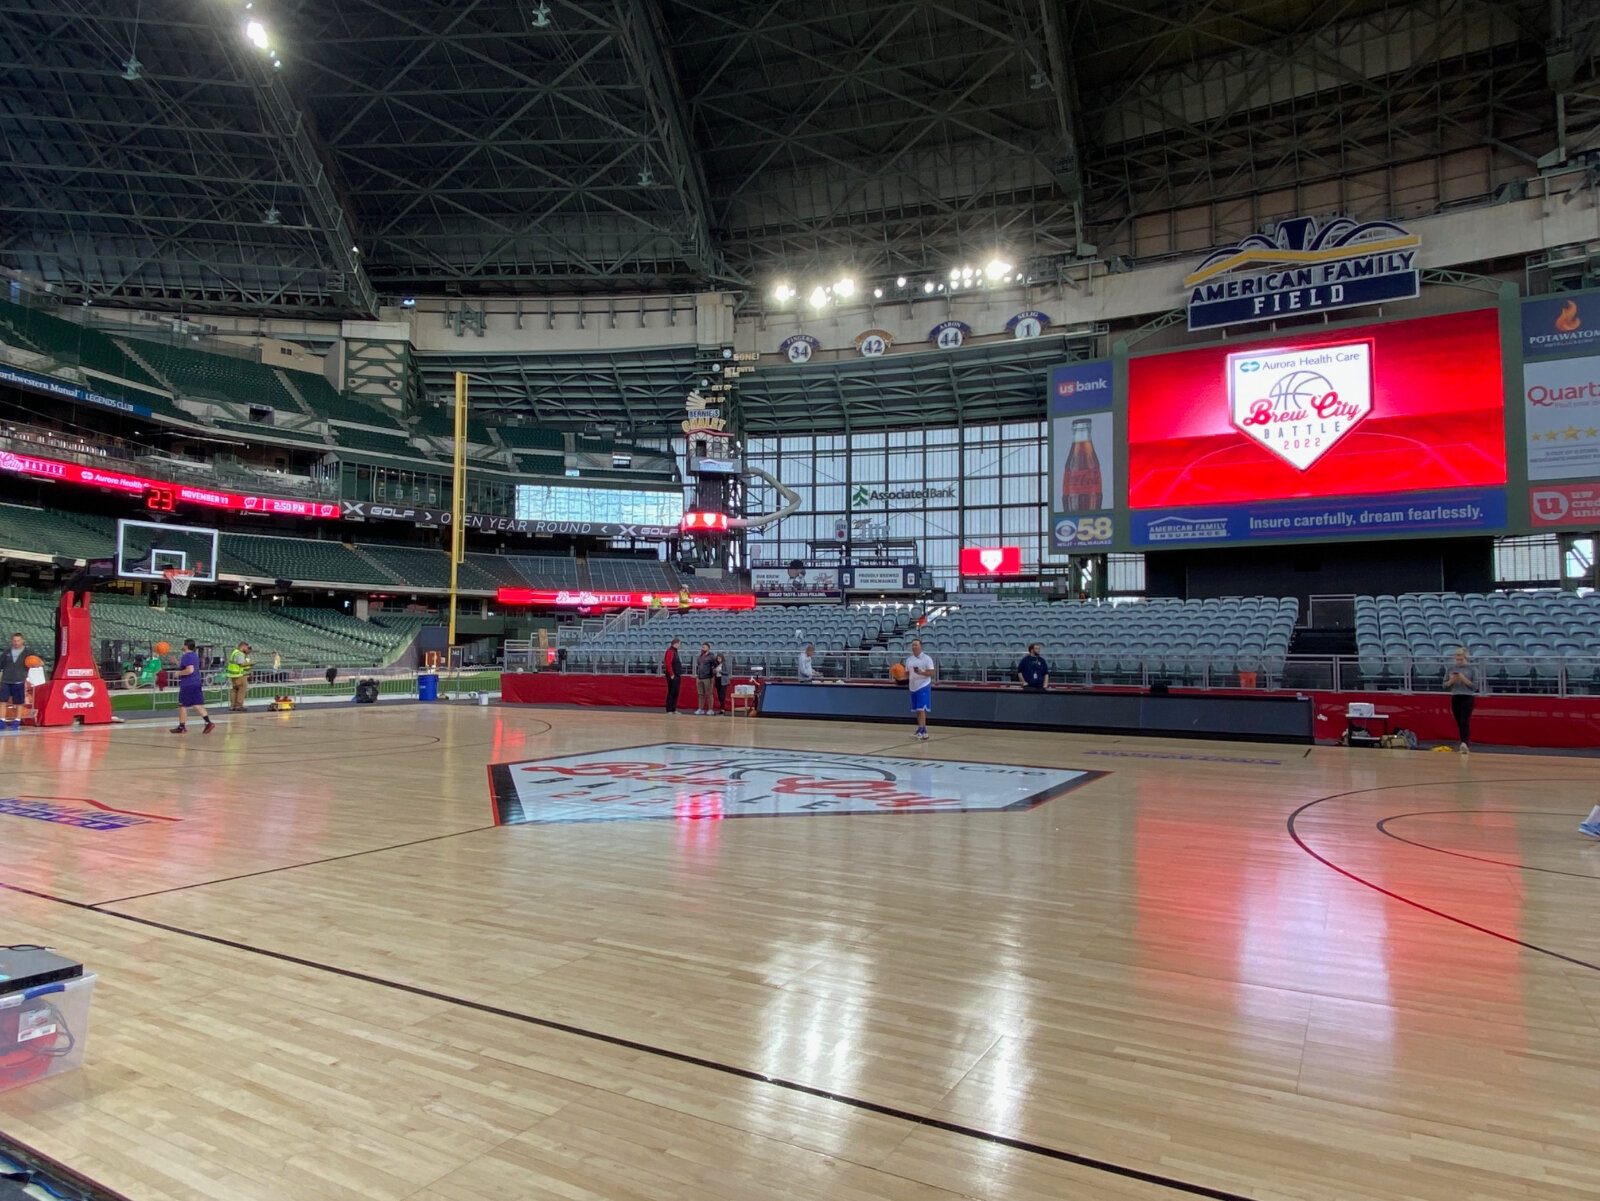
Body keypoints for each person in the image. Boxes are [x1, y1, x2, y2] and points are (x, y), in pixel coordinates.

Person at [171, 638, 214, 734]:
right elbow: (188, 667)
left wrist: (179, 673)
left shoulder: (187, 656)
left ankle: (182, 726)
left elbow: (190, 670)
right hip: (196, 682)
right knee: (197, 704)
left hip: (188, 684)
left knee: (182, 705)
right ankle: (208, 722)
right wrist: (177, 662)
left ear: (186, 646)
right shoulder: (194, 656)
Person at [0, 632, 35, 731]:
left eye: (18, 640)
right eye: (14, 640)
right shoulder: (6, 652)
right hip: (6, 680)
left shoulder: (28, 652)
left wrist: (38, 663)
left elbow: (37, 662)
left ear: (22, 641)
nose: (16, 642)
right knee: (2, 701)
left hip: (19, 680)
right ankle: (2, 721)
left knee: (19, 703)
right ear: (12, 641)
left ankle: (17, 721)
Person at [1443, 647, 1476, 753]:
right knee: (1458, 721)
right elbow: (1445, 685)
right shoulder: (1451, 669)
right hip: (1456, 696)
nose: (1459, 662)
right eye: (1457, 660)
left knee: (1464, 720)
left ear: (1465, 658)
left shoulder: (1472, 669)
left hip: (1467, 696)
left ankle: (1465, 743)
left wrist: (1463, 678)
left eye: (1461, 659)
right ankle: (1463, 741)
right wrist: (1451, 680)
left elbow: (1475, 686)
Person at [904, 637, 936, 741]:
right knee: (917, 710)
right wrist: (899, 676)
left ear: (921, 646)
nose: (914, 647)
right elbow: (907, 674)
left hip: (923, 686)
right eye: (912, 645)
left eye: (916, 645)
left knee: (921, 709)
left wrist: (921, 672)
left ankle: (922, 730)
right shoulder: (909, 660)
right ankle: (922, 730)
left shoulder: (927, 659)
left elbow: (932, 673)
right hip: (913, 686)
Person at [226, 640, 252, 712]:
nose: (247, 649)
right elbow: (241, 664)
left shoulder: (234, 652)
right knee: (242, 689)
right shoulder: (239, 653)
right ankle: (239, 705)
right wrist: (251, 663)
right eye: (247, 647)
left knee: (234, 690)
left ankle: (233, 705)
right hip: (239, 675)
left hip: (233, 675)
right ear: (243, 646)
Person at [662, 637, 684, 713]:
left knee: (675, 692)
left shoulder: (675, 651)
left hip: (677, 674)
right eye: (679, 644)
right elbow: (668, 663)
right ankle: (669, 709)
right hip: (673, 675)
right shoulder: (670, 651)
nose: (679, 646)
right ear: (675, 644)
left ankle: (673, 709)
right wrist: (671, 674)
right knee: (672, 692)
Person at [694, 642, 715, 714]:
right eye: (702, 647)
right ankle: (700, 708)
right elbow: (699, 666)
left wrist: (711, 676)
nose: (703, 648)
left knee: (709, 694)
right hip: (700, 677)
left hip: (707, 677)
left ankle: (710, 709)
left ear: (708, 648)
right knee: (700, 694)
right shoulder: (700, 657)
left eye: (704, 647)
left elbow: (714, 667)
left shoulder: (711, 657)